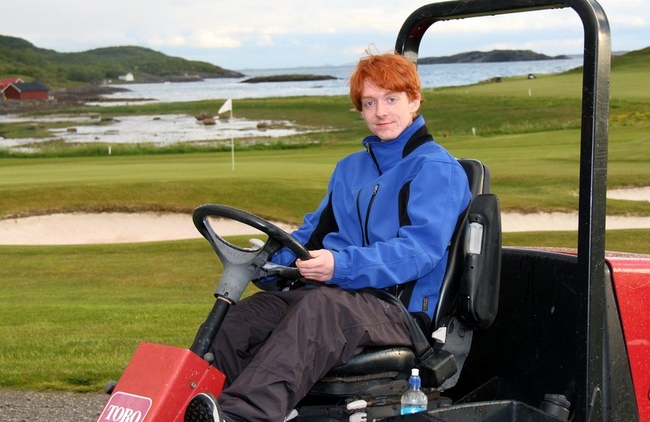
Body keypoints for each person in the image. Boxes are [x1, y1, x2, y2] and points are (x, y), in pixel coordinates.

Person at [185, 51, 472, 422]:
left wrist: (341, 265)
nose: (380, 111)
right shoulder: (350, 169)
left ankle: (242, 417)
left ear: (414, 101)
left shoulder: (436, 169)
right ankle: (191, 400)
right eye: (370, 102)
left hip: (398, 308)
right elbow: (310, 234)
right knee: (244, 318)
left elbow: (420, 251)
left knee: (319, 310)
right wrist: (269, 263)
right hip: (338, 296)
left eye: (391, 99)